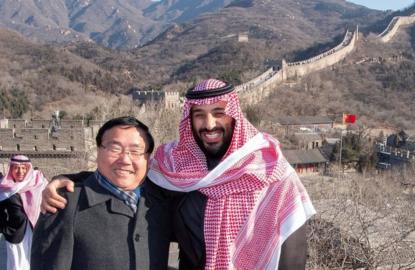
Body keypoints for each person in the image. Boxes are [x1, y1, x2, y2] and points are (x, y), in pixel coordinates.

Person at [43, 79, 316, 269]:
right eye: (199, 115)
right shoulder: (174, 170)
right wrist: (72, 181)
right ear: (190, 118)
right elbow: (125, 175)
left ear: (234, 115)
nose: (209, 124)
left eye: (218, 113)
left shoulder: (271, 172)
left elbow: (292, 254)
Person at [31, 116, 154, 270]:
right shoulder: (64, 203)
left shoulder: (159, 203)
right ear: (98, 151)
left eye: (136, 152)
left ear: (148, 159)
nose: (125, 159)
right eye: (115, 148)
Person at [0, 155, 47, 270]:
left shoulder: (38, 184)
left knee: (35, 263)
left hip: (36, 232)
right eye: (16, 168)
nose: (20, 171)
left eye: (24, 168)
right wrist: (5, 229)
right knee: (16, 266)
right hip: (15, 234)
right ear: (11, 169)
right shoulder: (4, 187)